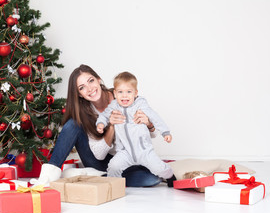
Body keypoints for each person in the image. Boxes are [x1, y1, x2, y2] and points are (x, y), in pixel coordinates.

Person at [31, 64, 170, 187]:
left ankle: (89, 176)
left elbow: (150, 134)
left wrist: (148, 123)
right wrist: (112, 126)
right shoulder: (85, 113)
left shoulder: (121, 94)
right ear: (79, 94)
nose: (90, 89)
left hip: (128, 158)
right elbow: (99, 155)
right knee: (72, 124)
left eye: (91, 81)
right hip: (100, 161)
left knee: (151, 179)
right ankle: (48, 176)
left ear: (98, 79)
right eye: (82, 87)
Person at [96, 72, 176, 184]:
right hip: (124, 151)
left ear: (135, 93)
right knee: (114, 166)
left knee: (158, 168)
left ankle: (171, 177)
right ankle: (114, 186)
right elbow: (104, 115)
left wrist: (165, 132)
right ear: (115, 93)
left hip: (144, 150)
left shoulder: (140, 104)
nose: (124, 95)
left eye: (129, 92)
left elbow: (154, 116)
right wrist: (100, 124)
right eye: (120, 92)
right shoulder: (114, 105)